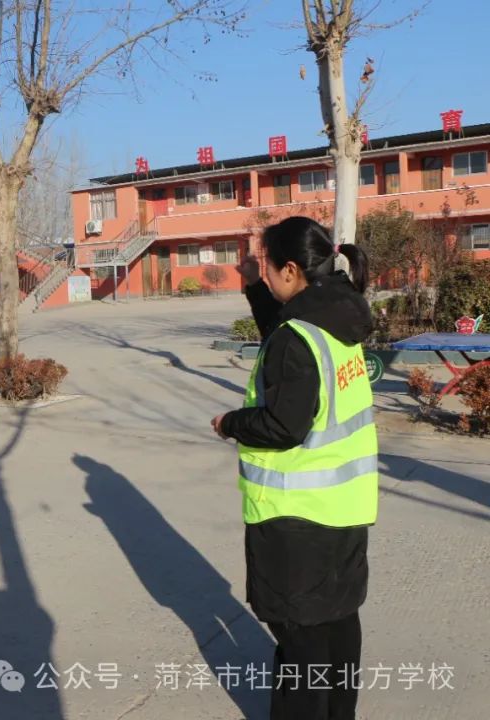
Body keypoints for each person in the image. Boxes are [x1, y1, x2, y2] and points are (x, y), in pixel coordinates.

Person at [211, 216, 377, 720]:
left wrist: (230, 422)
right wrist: (254, 287)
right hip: (344, 507)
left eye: (266, 267)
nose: (264, 273)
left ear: (290, 269)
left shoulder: (298, 335)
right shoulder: (340, 310)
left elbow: (284, 424)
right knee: (339, 622)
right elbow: (290, 342)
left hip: (294, 519)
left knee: (301, 646)